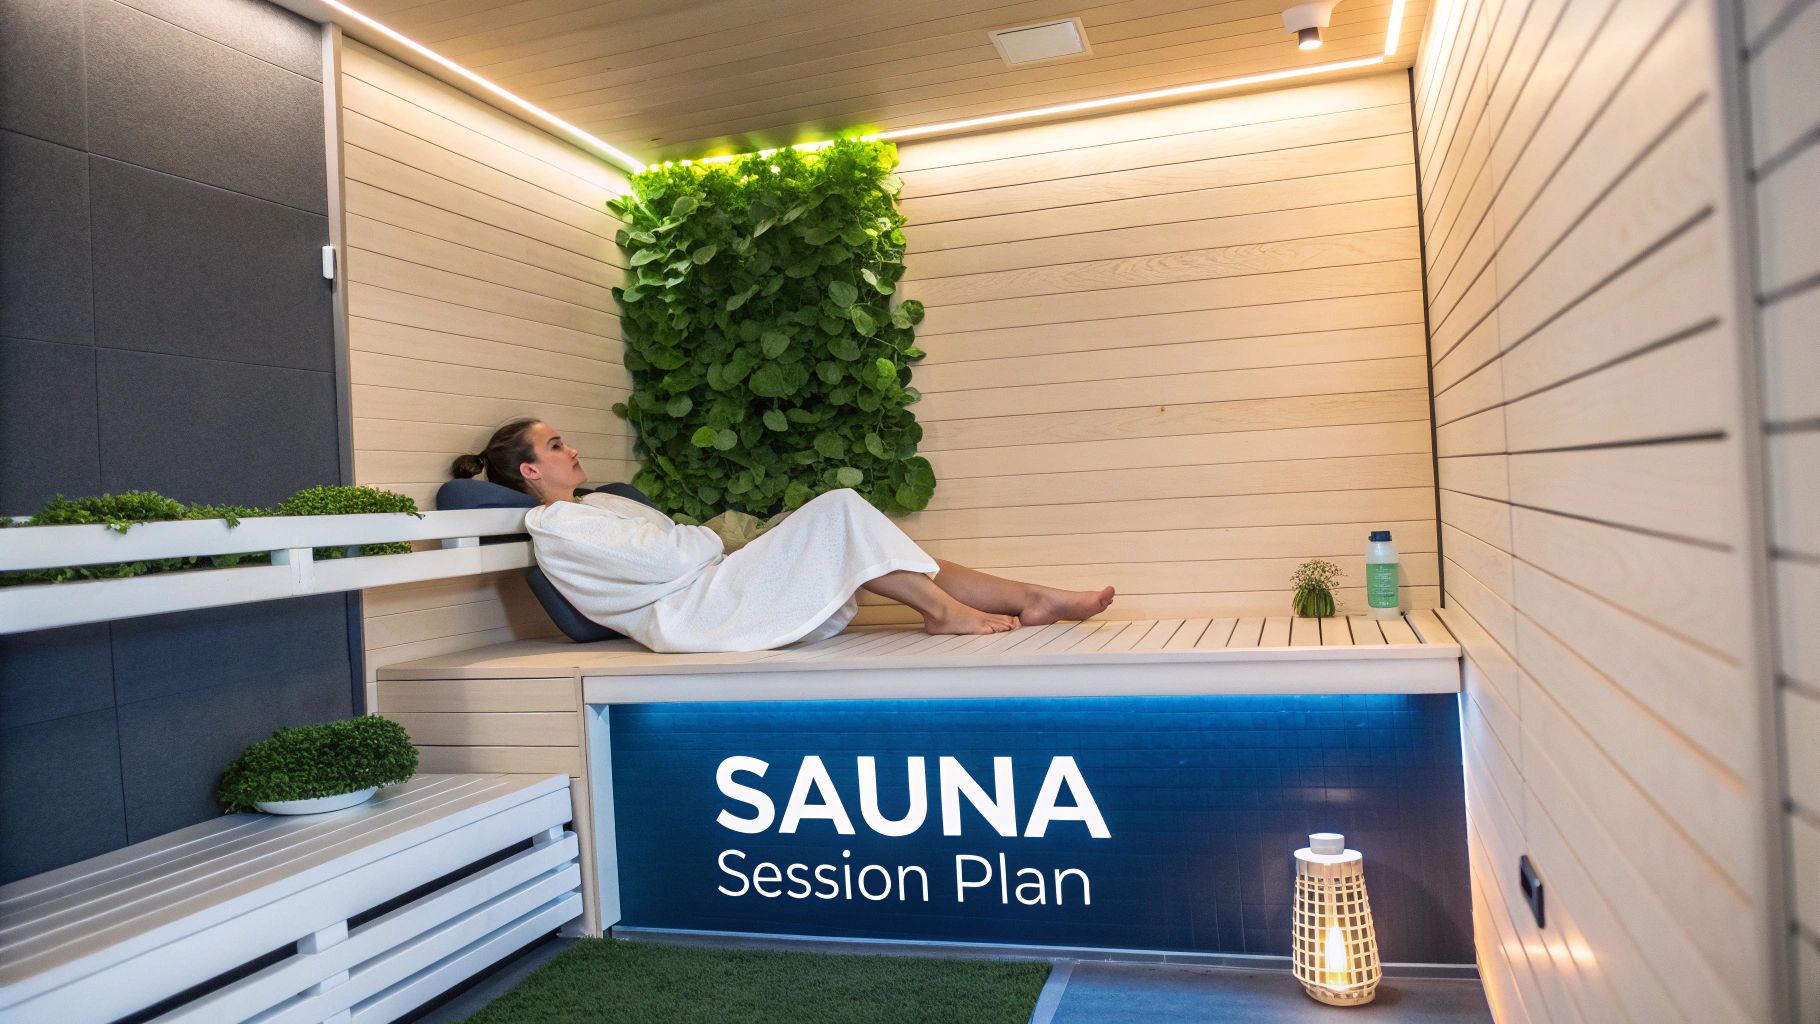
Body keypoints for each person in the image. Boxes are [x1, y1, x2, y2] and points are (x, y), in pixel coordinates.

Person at [451, 418, 1115, 654]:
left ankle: (1029, 598)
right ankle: (950, 613)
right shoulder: (557, 525)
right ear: (531, 471)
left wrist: (709, 542)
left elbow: (674, 549)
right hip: (693, 613)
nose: (571, 450)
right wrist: (714, 539)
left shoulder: (596, 504)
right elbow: (669, 559)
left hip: (710, 587)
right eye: (555, 446)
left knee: (866, 539)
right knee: (841, 511)